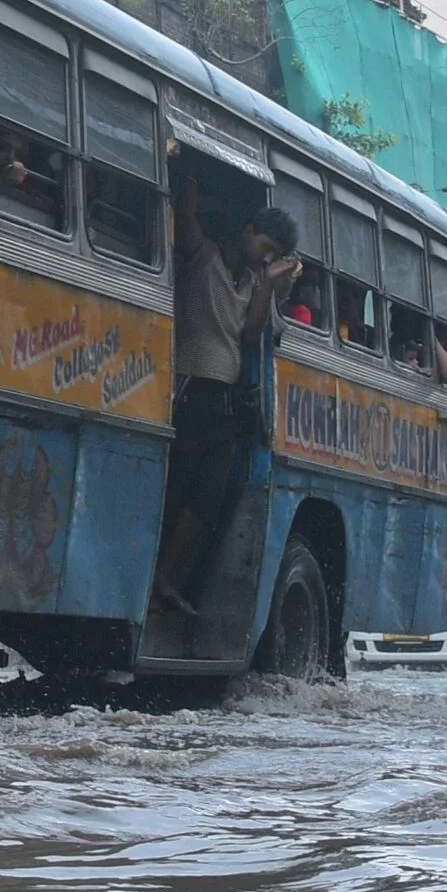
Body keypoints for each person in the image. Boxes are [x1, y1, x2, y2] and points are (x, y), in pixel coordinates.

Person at [152, 170, 300, 616]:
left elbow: (252, 331)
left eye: (275, 255)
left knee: (208, 500)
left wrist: (272, 282)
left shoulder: (253, 281)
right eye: (266, 247)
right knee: (176, 489)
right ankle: (155, 578)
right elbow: (185, 212)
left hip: (225, 403)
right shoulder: (205, 258)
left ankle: (168, 578)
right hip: (192, 390)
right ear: (249, 232)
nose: (267, 257)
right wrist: (196, 186)